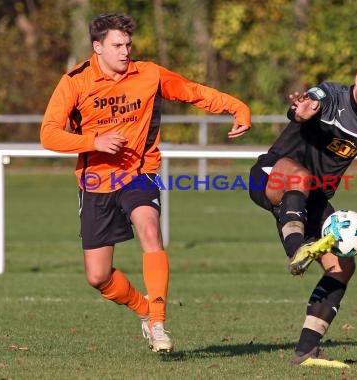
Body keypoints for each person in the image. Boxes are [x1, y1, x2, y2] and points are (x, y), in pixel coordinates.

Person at [40, 13, 251, 353]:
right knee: (98, 277)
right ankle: (143, 310)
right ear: (97, 47)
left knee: (150, 230)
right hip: (95, 182)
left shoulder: (149, 74)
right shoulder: (74, 82)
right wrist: (93, 142)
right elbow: (48, 134)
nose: (125, 51)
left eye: (128, 45)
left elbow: (193, 92)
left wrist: (237, 107)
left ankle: (158, 322)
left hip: (140, 171)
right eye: (117, 45)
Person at [249, 51, 357, 367]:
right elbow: (306, 105)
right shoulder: (330, 95)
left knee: (343, 267)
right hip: (271, 174)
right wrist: (301, 110)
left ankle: (306, 351)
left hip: (312, 198)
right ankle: (298, 248)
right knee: (299, 176)